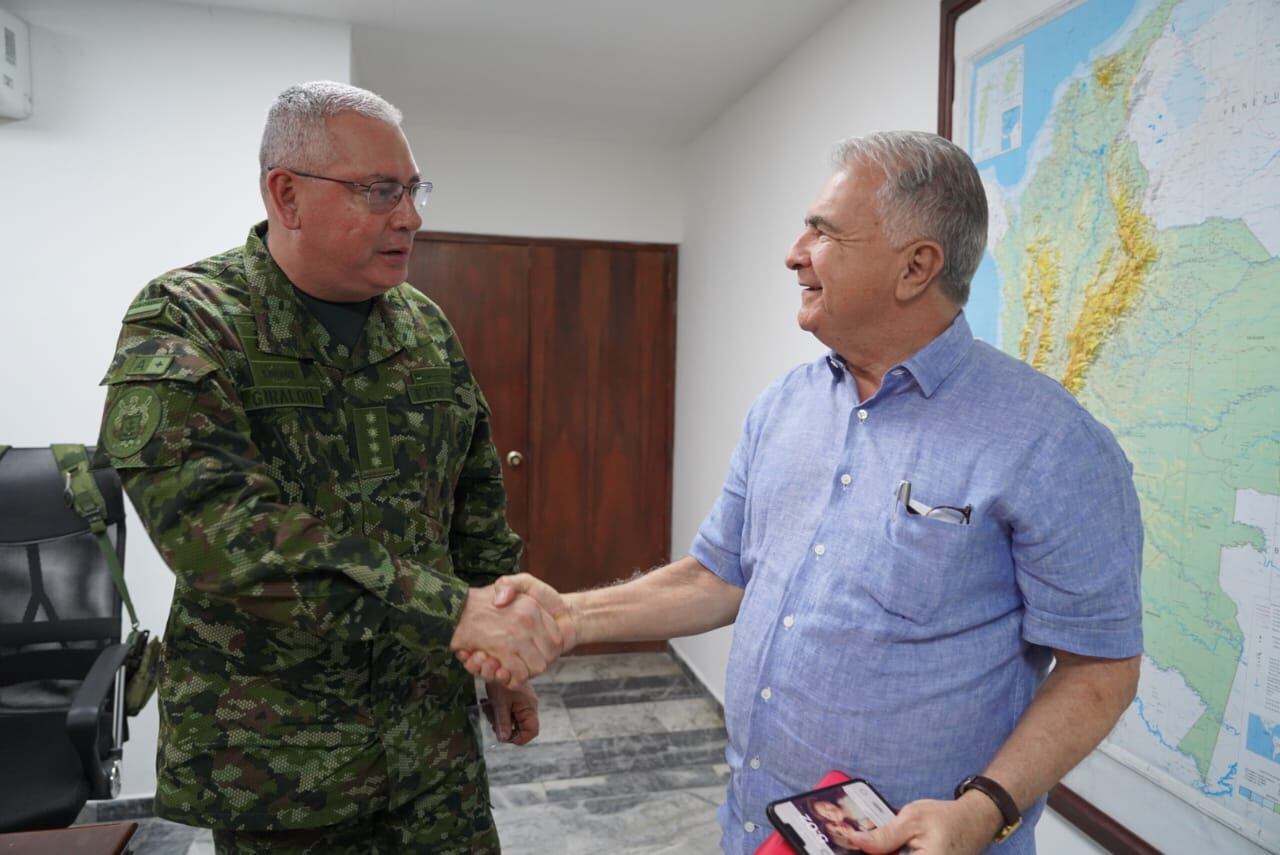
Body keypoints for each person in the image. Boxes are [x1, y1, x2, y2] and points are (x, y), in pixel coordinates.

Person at [462, 130, 1143, 854]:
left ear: (916, 267)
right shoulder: (783, 407)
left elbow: (1101, 668)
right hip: (756, 830)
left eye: (822, 231)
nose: (794, 253)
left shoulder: (1053, 442)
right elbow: (717, 575)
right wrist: (564, 617)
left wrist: (983, 808)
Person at [96, 81, 565, 854]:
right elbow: (221, 535)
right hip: (283, 772)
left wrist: (501, 659)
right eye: (380, 190)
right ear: (287, 194)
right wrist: (456, 612)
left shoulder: (424, 326)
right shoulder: (189, 318)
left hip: (432, 755)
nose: (410, 215)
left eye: (412, 189)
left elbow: (473, 498)